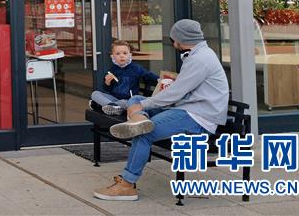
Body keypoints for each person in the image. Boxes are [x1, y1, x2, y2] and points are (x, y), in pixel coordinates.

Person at [93, 19, 228, 201]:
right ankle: (138, 119)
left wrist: (144, 106)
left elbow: (176, 92)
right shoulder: (199, 54)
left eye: (173, 38)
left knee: (143, 133)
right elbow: (180, 91)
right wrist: (142, 104)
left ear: (180, 39)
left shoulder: (200, 59)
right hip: (187, 108)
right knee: (137, 99)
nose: (172, 42)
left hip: (198, 116)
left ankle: (127, 185)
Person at [89, 40, 159, 116]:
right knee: (95, 93)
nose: (121, 56)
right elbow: (107, 89)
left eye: (125, 53)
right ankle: (112, 106)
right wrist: (107, 82)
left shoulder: (136, 68)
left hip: (129, 100)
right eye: (118, 54)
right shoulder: (112, 70)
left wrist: (160, 79)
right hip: (114, 98)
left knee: (122, 103)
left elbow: (149, 75)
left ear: (130, 55)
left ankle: (106, 106)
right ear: (112, 56)